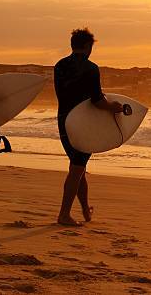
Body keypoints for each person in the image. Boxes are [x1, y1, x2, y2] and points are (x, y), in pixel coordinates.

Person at [54, 28, 123, 226]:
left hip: (64, 121)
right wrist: (113, 107)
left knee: (78, 167)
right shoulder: (90, 68)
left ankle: (85, 209)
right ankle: (64, 214)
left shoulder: (59, 66)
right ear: (88, 47)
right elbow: (97, 101)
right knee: (77, 168)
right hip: (83, 124)